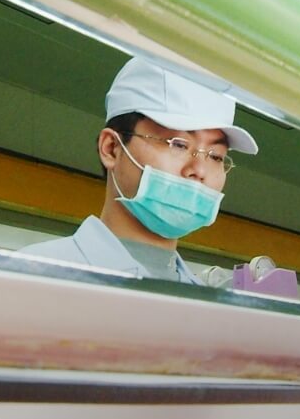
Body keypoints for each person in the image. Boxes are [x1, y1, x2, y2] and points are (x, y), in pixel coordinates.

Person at [19, 56, 258, 283]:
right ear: (111, 148)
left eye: (216, 156)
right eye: (178, 144)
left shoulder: (208, 300)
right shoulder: (34, 275)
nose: (199, 170)